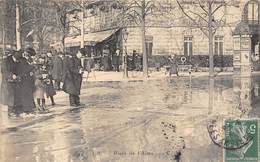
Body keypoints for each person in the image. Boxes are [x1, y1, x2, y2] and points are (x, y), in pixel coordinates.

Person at [0, 50, 21, 116]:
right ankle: (10, 111)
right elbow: (4, 70)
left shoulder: (16, 60)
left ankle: (14, 110)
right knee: (10, 96)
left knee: (15, 95)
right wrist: (11, 75)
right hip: (7, 81)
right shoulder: (5, 61)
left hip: (14, 81)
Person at [15, 48, 36, 114]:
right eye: (24, 53)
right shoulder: (21, 61)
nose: (26, 55)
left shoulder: (25, 60)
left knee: (29, 94)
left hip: (28, 80)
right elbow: (25, 69)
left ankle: (29, 108)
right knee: (26, 94)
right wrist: (32, 67)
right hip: (24, 80)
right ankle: (27, 109)